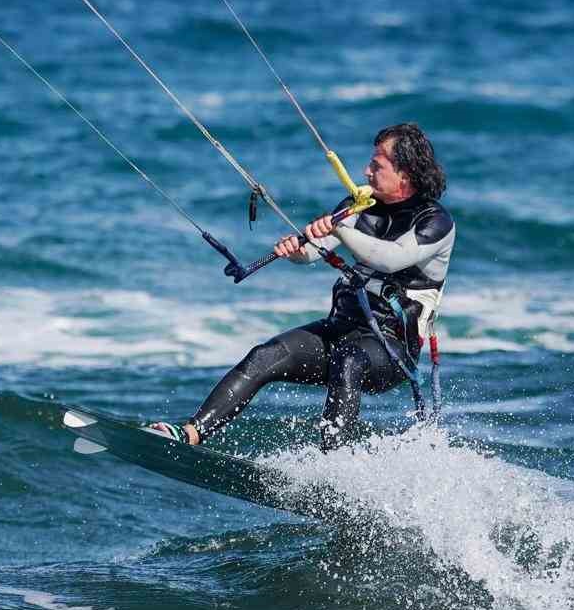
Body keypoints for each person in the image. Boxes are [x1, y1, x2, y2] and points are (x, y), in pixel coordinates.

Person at [149, 123, 454, 449]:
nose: (366, 171)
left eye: (377, 165)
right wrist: (296, 250)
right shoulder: (360, 205)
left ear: (404, 174)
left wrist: (339, 232)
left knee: (349, 360)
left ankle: (336, 467)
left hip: (391, 348)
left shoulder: (434, 222)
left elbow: (391, 258)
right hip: (342, 329)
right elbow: (310, 251)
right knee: (265, 355)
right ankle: (191, 434)